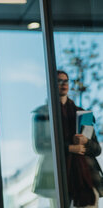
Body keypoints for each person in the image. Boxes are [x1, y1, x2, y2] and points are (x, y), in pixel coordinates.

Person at [33, 70, 103, 207]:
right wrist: (70, 148)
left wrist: (86, 142)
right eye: (59, 81)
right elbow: (39, 146)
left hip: (85, 178)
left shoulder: (82, 113)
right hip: (57, 177)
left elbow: (96, 149)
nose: (63, 84)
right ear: (51, 84)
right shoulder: (42, 113)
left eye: (65, 81)